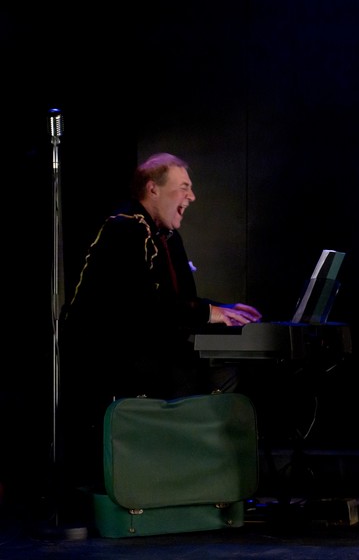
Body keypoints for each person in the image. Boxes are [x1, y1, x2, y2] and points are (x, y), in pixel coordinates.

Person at [60, 152, 262, 491]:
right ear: (153, 189)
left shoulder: (166, 236)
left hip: (148, 351)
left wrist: (221, 309)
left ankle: (203, 478)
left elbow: (179, 301)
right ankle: (184, 477)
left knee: (225, 370)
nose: (191, 196)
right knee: (212, 374)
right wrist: (209, 313)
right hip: (112, 359)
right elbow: (140, 307)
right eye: (183, 187)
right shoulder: (125, 228)